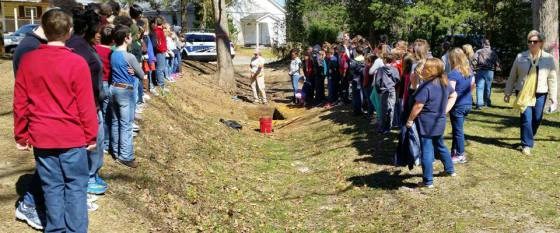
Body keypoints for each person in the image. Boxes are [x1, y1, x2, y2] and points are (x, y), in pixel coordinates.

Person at [14, 9, 98, 232]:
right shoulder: (77, 62)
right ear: (69, 32)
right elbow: (86, 105)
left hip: (43, 136)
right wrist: (91, 134)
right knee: (76, 186)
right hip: (72, 136)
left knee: (52, 186)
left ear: (43, 30)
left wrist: (21, 135)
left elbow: (20, 102)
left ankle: (55, 229)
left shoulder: (29, 61)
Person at [66, 8, 107, 197]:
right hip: (88, 105)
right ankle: (89, 178)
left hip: (93, 103)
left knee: (97, 142)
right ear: (89, 29)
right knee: (92, 143)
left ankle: (93, 174)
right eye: (98, 29)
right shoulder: (79, 48)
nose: (100, 33)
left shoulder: (84, 44)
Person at [405, 58, 457, 188]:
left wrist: (410, 120)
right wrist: (445, 110)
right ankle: (450, 170)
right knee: (440, 145)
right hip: (440, 122)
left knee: (427, 149)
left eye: (425, 68)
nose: (422, 70)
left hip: (426, 123)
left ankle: (428, 181)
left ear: (431, 70)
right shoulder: (444, 83)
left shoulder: (426, 86)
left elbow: (418, 106)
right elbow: (454, 95)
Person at [504, 30, 558, 156]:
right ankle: (526, 144)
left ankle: (529, 136)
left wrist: (553, 98)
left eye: (535, 41)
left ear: (541, 43)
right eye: (530, 41)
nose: (532, 44)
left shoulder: (548, 58)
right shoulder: (520, 57)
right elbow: (512, 76)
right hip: (523, 92)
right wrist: (507, 92)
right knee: (526, 119)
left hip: (540, 92)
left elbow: (552, 79)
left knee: (537, 118)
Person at [110, 25, 145, 168]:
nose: (131, 37)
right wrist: (135, 71)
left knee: (115, 121)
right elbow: (142, 75)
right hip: (126, 91)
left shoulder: (112, 54)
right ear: (126, 38)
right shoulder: (129, 56)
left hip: (113, 88)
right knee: (126, 124)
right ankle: (126, 156)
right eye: (130, 35)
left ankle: (115, 150)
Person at [447, 48, 475, 163]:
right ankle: (454, 151)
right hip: (467, 103)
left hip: (457, 105)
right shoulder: (469, 71)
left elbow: (451, 91)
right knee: (456, 129)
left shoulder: (453, 74)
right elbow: (473, 85)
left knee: (458, 131)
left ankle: (460, 155)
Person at [375, 53, 400, 134]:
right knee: (391, 108)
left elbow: (377, 82)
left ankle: (383, 127)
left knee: (383, 109)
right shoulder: (394, 69)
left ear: (385, 60)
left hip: (383, 91)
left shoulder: (380, 70)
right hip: (392, 90)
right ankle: (389, 126)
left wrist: (378, 90)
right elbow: (397, 79)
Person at [474, 39, 500, 109]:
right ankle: (486, 103)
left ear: (483, 44)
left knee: (479, 87)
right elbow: (497, 62)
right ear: (489, 44)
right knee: (488, 88)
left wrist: (473, 68)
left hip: (480, 71)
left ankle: (479, 104)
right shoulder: (493, 52)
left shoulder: (479, 51)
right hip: (490, 72)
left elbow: (474, 61)